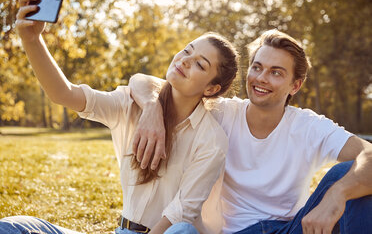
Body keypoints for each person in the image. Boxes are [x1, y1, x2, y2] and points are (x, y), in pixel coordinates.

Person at [0, 0, 240, 234]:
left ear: (211, 89)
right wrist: (32, 40)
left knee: (182, 230)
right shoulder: (131, 103)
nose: (185, 61)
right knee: (12, 227)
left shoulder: (211, 140)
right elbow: (64, 94)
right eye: (187, 50)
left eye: (200, 64)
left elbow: (182, 211)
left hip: (166, 233)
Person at [127, 29, 372, 234]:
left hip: (290, 229)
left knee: (349, 175)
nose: (261, 78)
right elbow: (142, 80)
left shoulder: (309, 126)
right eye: (257, 67)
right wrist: (151, 107)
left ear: (295, 85)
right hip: (230, 232)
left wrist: (337, 194)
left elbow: (369, 155)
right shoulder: (220, 112)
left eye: (276, 72)